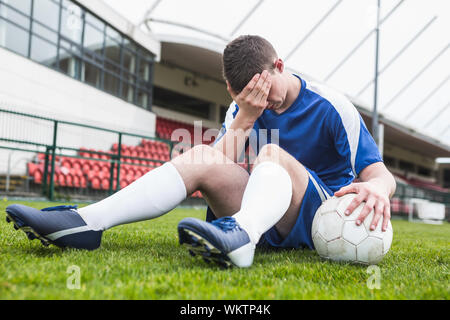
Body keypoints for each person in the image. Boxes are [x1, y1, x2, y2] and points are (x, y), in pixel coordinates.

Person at [5, 35, 396, 268]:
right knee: (200, 155)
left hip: (321, 217)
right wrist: (246, 116)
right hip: (263, 211)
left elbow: (379, 173)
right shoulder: (242, 106)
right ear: (232, 89)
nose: (264, 102)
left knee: (270, 155)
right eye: (245, 95)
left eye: (266, 92)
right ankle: (85, 223)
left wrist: (378, 191)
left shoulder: (331, 104)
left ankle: (241, 241)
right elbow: (217, 166)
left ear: (279, 65)